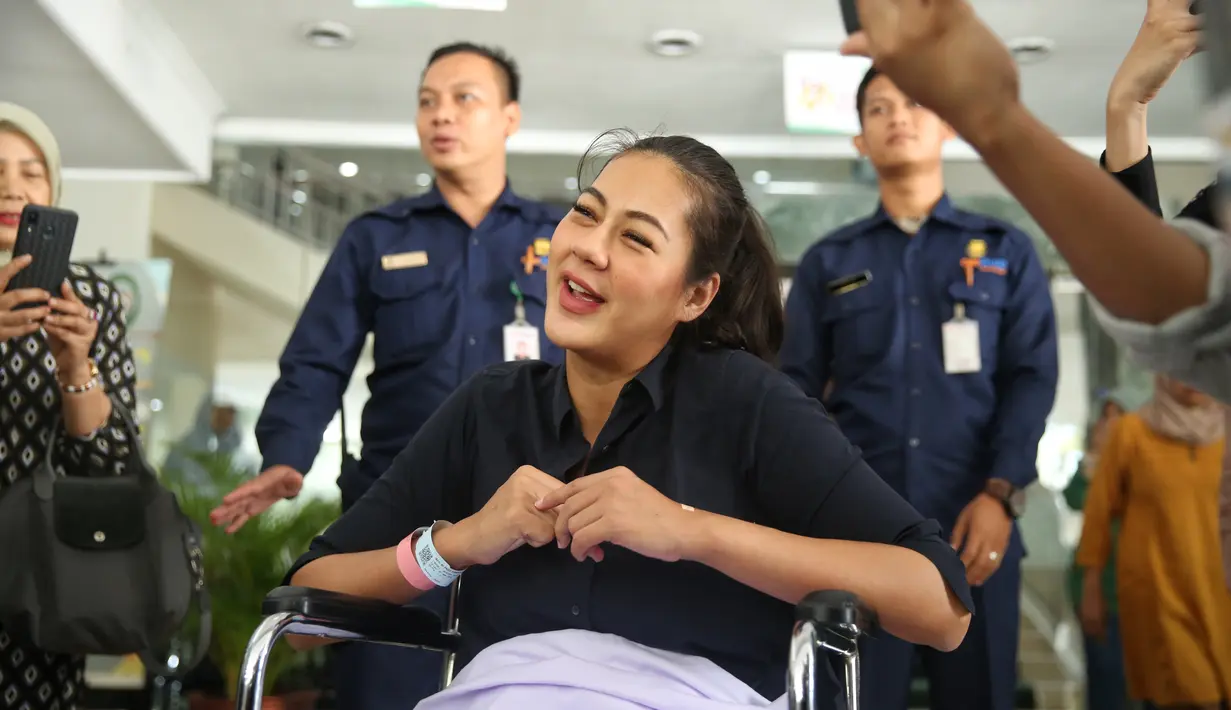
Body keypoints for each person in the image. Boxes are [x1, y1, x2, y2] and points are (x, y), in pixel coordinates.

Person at [285, 131, 974, 709]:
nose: (589, 246)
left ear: (696, 294)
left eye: (636, 239)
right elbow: (303, 615)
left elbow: (938, 606)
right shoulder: (489, 408)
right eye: (585, 214)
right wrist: (460, 543)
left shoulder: (746, 405)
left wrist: (693, 532)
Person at [207, 42, 567, 706]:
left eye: (464, 98)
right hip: (400, 503)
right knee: (385, 684)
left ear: (509, 118)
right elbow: (317, 357)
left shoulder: (560, 237)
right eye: (427, 101)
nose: (441, 116)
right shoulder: (377, 237)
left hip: (533, 508)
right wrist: (287, 455)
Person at [780, 65, 1058, 710]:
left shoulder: (1005, 251)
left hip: (975, 524)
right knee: (856, 696)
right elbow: (793, 391)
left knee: (981, 690)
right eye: (878, 109)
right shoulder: (829, 261)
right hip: (860, 527)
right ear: (860, 142)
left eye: (913, 104)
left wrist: (1001, 492)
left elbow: (1031, 375)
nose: (897, 117)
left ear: (947, 124)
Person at [0, 103, 139, 709]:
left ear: (53, 188)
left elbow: (111, 465)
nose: (12, 187)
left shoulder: (89, 300)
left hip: (40, 581)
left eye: (31, 171)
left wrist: (76, 366)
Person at [1076, 375, 1231, 710]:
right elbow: (1099, 512)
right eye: (1180, 366)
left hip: (1219, 591)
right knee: (1189, 693)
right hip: (1160, 591)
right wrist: (1091, 585)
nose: (1191, 378)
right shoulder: (1133, 432)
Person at [1063, 391, 1134, 710]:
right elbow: (1076, 499)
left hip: (1141, 587)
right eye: (1105, 416)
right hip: (1098, 588)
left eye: (1117, 415)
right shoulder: (1092, 467)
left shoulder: (1141, 463)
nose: (1111, 423)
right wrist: (1095, 457)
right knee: (1106, 682)